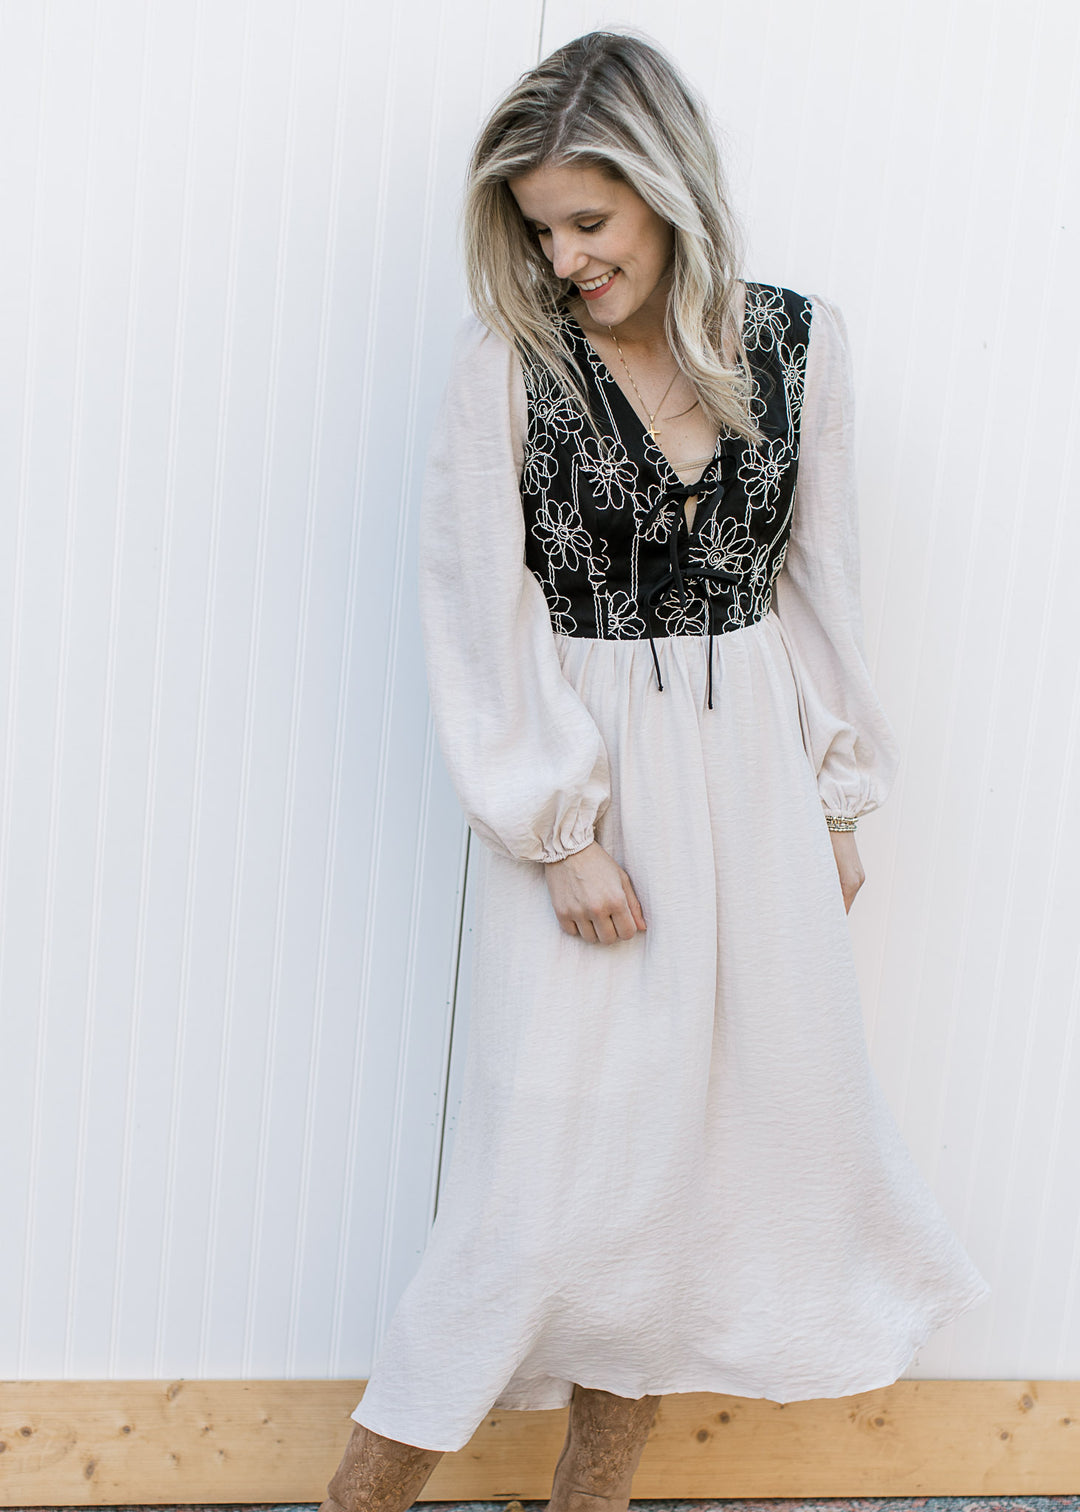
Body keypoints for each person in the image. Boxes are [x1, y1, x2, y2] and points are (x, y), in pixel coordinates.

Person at [318, 29, 990, 1512]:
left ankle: (594, 1500)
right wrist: (559, 829)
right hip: (594, 785)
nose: (562, 259)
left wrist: (836, 797)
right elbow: (475, 604)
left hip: (755, 783)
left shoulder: (797, 345)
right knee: (531, 1199)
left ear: (668, 189)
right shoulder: (511, 362)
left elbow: (821, 584)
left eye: (587, 221)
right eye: (538, 230)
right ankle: (359, 1499)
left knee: (693, 1176)